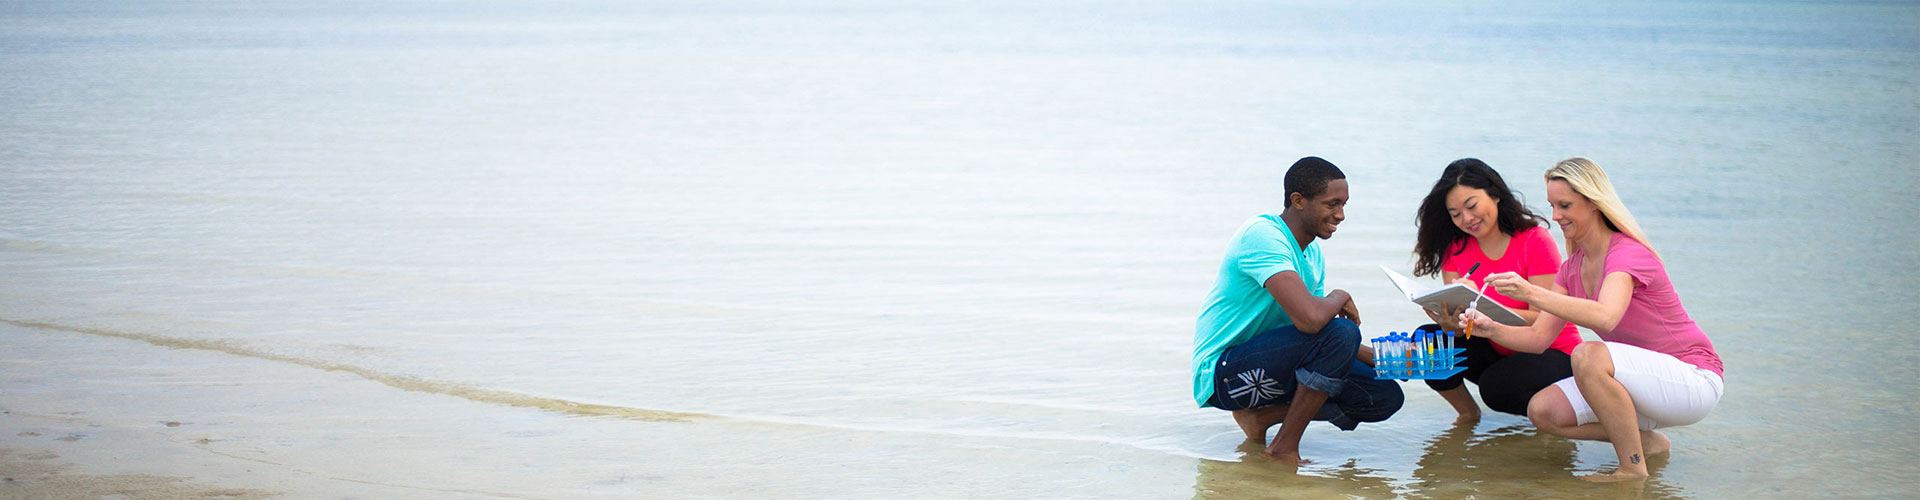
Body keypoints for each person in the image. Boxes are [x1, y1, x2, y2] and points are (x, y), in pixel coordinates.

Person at [1461, 157, 1724, 482]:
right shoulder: (1572, 268)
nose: (1555, 216)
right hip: (1641, 382)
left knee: (1586, 354)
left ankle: (1632, 469)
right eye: (1552, 206)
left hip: (1691, 379)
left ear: (1595, 204)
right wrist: (1491, 328)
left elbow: (1607, 315)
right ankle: (1647, 444)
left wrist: (1529, 292)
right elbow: (1539, 338)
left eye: (1565, 205)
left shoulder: (1627, 253)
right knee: (1543, 410)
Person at [1192, 156, 1403, 465]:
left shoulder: (1313, 253)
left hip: (1273, 363)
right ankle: (1283, 447)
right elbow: (1312, 320)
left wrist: (1389, 359)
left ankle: (1261, 418)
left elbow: (1322, 338)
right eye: (1332, 204)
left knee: (1383, 394)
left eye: (1344, 204)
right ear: (1298, 200)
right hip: (1223, 374)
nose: (1341, 215)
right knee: (1342, 329)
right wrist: (1339, 295)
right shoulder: (1262, 235)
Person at [1408, 158, 1582, 423]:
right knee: (1428, 342)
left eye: (1472, 206)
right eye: (1455, 214)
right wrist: (1449, 322)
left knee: (1496, 387)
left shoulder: (1534, 240)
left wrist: (1481, 303)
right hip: (1495, 345)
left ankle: (1557, 419)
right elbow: (1461, 328)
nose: (1467, 219)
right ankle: (1467, 415)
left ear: (1495, 195)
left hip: (1552, 351)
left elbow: (1542, 318)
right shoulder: (1454, 248)